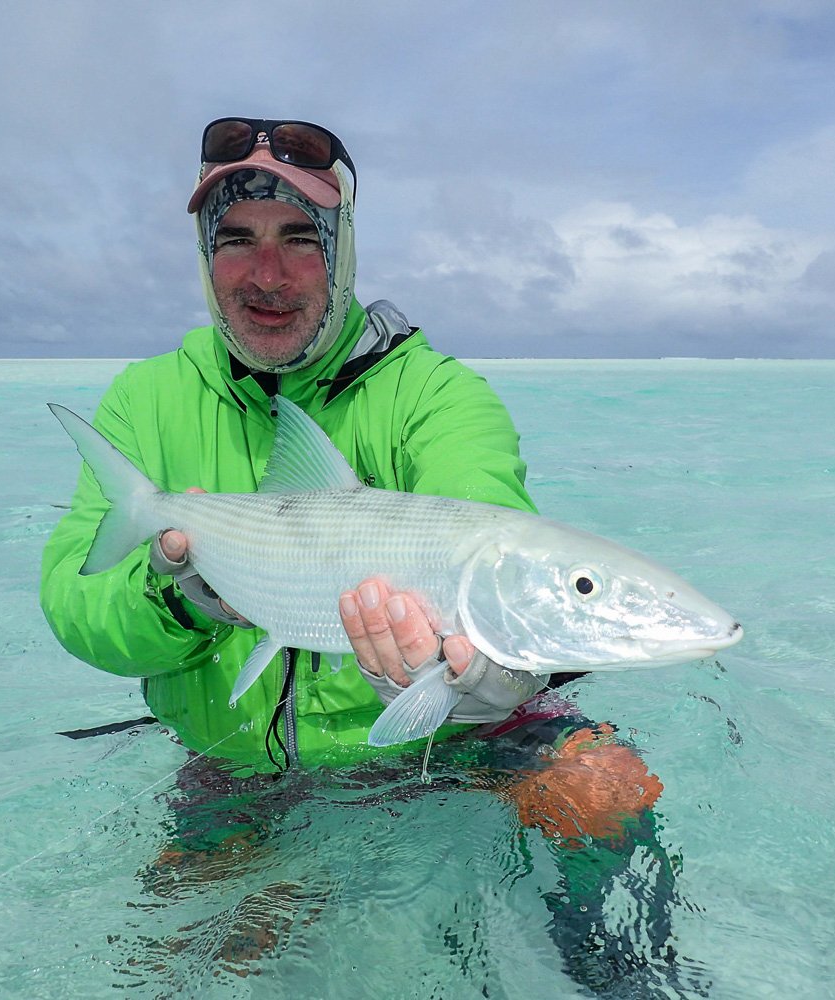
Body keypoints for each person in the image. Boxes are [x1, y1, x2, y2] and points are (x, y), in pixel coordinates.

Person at [41, 117, 675, 989]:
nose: (268, 275)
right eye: (236, 241)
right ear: (203, 254)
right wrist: (182, 595)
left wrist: (481, 681)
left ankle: (626, 979)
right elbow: (77, 612)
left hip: (452, 743)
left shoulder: (437, 395)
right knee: (182, 957)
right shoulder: (147, 401)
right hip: (238, 766)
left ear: (343, 250)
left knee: (609, 791)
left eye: (301, 239)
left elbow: (491, 531)